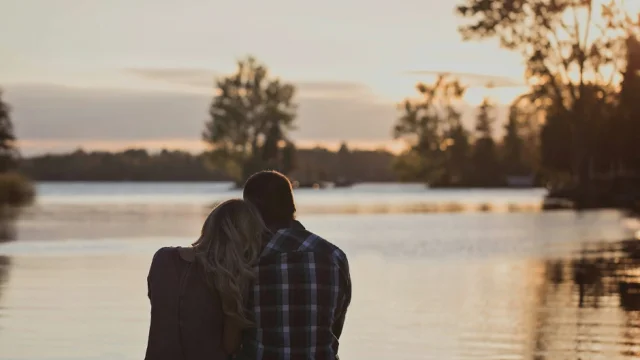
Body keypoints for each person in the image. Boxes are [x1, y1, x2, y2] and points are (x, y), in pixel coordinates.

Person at [238, 170, 352, 360]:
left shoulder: (245, 260)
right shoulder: (334, 256)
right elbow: (333, 328)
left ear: (252, 208)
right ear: (291, 205)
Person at [144, 199, 267, 360]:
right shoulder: (231, 277)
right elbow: (230, 346)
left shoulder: (163, 258)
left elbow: (161, 307)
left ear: (209, 224)